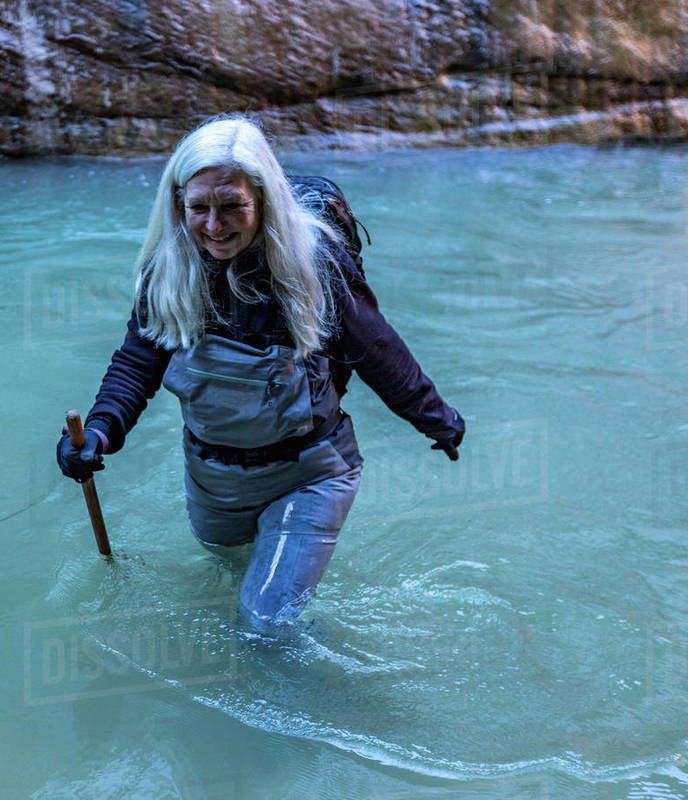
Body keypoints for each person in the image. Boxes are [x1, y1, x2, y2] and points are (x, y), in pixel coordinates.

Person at [57, 115, 464, 630]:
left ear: (265, 200)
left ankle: (322, 703)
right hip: (212, 477)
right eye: (198, 207)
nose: (213, 224)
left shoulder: (314, 264)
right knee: (224, 569)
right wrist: (98, 431)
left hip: (309, 470)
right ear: (178, 203)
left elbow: (379, 352)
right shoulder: (168, 270)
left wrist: (436, 419)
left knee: (266, 621)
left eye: (232, 206)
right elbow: (138, 362)